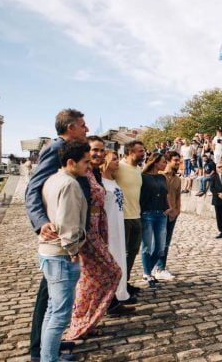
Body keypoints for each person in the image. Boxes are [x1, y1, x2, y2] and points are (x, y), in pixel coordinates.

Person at [25, 109, 89, 361]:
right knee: (52, 301)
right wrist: (41, 222)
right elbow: (32, 190)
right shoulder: (57, 150)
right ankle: (39, 351)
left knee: (54, 302)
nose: (86, 129)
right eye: (82, 125)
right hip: (59, 241)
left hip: (62, 238)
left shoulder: (71, 160)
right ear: (70, 128)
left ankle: (47, 349)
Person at [64, 136, 125, 341]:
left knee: (92, 277)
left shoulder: (94, 173)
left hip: (98, 227)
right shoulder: (81, 174)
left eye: (101, 150)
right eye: (94, 150)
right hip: (86, 230)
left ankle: (85, 323)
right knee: (110, 272)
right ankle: (80, 323)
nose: (98, 154)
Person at [38, 140, 89, 362]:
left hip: (49, 253)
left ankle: (48, 354)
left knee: (52, 309)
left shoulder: (52, 180)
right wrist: (73, 250)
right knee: (60, 313)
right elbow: (68, 223)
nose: (89, 166)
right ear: (71, 162)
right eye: (85, 162)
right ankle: (49, 359)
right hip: (60, 254)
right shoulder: (69, 184)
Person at [101, 150, 133, 304]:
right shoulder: (100, 181)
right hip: (109, 225)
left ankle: (121, 291)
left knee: (120, 255)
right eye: (114, 159)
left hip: (119, 222)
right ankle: (111, 296)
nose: (117, 162)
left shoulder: (113, 180)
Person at [114, 140, 144, 296]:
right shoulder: (118, 167)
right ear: (130, 152)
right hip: (122, 218)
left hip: (136, 216)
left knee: (132, 252)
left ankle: (125, 282)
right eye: (140, 151)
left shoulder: (138, 169)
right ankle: (118, 287)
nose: (143, 153)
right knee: (121, 254)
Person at [139, 153, 169, 288]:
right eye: (163, 161)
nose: (165, 164)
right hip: (147, 214)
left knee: (160, 248)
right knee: (147, 247)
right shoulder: (143, 177)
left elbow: (165, 194)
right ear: (155, 162)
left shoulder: (163, 177)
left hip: (161, 215)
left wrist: (169, 207)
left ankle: (147, 271)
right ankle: (147, 273)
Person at [154, 151, 182, 281]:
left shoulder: (177, 179)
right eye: (175, 160)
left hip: (172, 215)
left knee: (166, 243)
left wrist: (178, 210)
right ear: (168, 161)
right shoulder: (159, 175)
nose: (178, 163)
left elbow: (178, 196)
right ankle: (156, 267)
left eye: (178, 160)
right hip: (159, 214)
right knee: (156, 242)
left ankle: (161, 267)